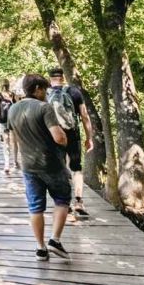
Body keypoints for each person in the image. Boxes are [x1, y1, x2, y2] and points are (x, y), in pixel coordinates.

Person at [8, 73, 71, 261]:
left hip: (28, 165)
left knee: (35, 207)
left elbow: (13, 138)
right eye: (44, 89)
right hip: (51, 164)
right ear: (37, 89)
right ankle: (55, 240)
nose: (46, 93)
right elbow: (58, 137)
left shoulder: (13, 109)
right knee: (62, 199)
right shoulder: (44, 107)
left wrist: (14, 159)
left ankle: (41, 248)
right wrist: (65, 139)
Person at [47, 68, 94, 219]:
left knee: (59, 169)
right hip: (73, 134)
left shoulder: (46, 93)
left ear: (50, 79)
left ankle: (63, 203)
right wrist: (89, 138)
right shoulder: (74, 92)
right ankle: (79, 201)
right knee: (76, 167)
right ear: (63, 77)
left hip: (54, 136)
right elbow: (84, 116)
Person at [0, 80, 18, 174]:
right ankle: (15, 161)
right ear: (9, 85)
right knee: (14, 141)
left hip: (3, 120)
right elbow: (17, 107)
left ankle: (7, 163)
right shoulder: (13, 95)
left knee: (6, 142)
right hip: (13, 119)